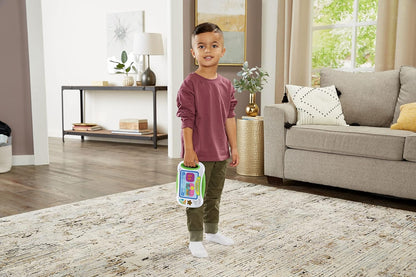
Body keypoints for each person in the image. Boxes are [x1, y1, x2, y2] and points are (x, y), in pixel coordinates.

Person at [176, 22, 239, 258]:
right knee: (194, 198)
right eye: (201, 46)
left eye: (214, 45)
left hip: (220, 152)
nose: (207, 50)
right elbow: (186, 120)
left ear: (222, 50)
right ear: (194, 53)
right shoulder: (189, 84)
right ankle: (195, 238)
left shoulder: (226, 85)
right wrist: (189, 151)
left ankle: (212, 232)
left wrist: (234, 147)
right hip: (198, 155)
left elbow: (230, 117)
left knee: (214, 195)